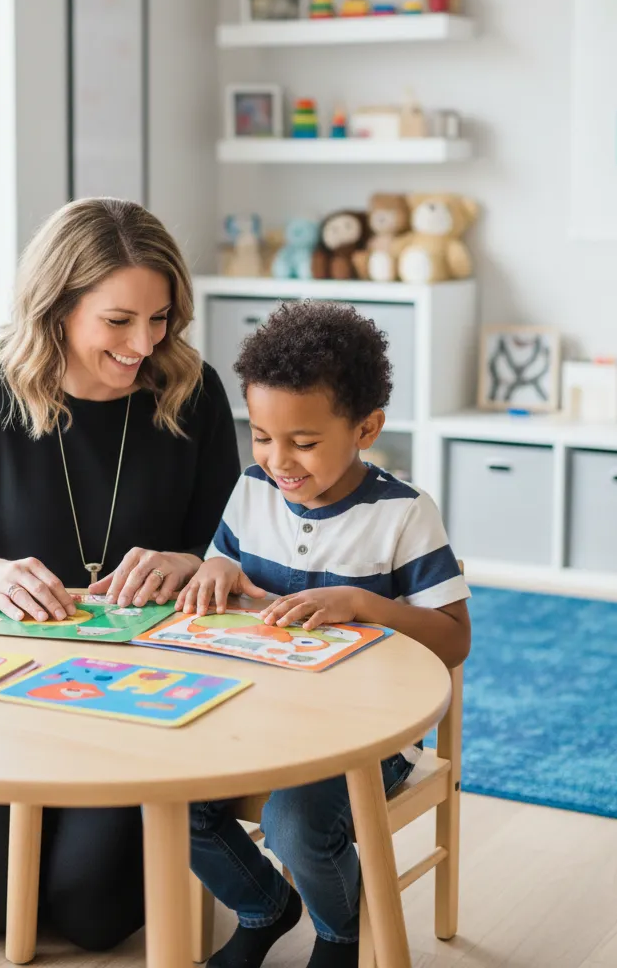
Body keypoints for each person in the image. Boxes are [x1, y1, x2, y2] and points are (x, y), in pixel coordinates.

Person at [0, 197, 240, 951]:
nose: (144, 344)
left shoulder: (192, 391)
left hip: (139, 692)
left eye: (160, 319)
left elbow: (232, 549)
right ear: (56, 307)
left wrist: (191, 560)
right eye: (118, 321)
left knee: (92, 915)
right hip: (3, 687)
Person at [179, 300, 471, 968]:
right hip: (255, 713)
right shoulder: (252, 492)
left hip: (366, 735)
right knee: (171, 797)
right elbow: (226, 556)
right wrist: (216, 568)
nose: (278, 460)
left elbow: (454, 639)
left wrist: (364, 605)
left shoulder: (404, 515)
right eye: (260, 435)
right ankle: (263, 906)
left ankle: (343, 933)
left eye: (303, 443)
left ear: (366, 427)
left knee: (295, 823)